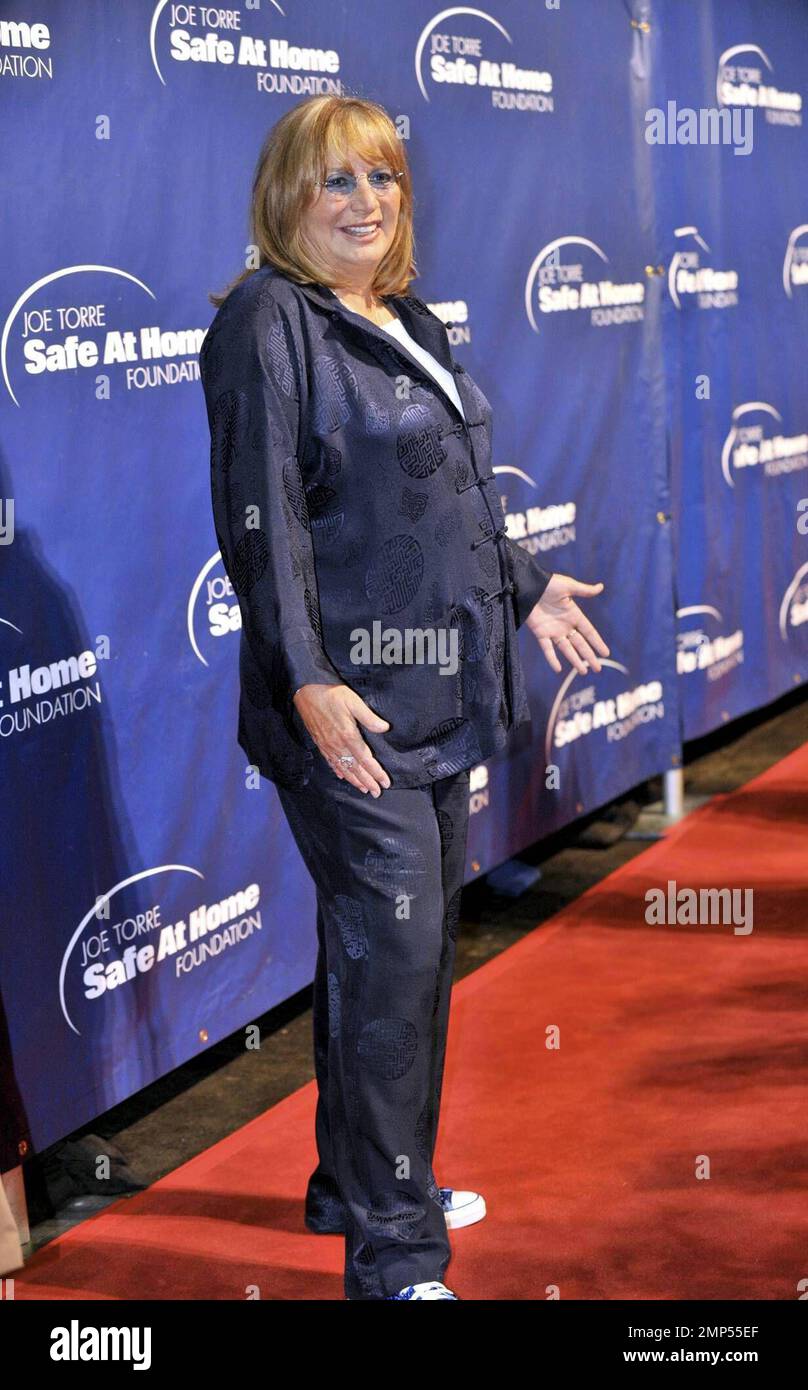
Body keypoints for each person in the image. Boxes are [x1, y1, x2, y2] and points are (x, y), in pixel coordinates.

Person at [199, 93, 608, 1301]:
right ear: (288, 198)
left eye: (381, 179)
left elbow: (452, 492)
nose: (365, 202)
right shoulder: (270, 323)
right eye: (336, 181)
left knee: (400, 959)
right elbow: (258, 519)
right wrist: (308, 677)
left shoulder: (400, 315)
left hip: (438, 695)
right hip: (350, 715)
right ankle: (393, 1251)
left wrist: (524, 583)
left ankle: (359, 1185)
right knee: (395, 958)